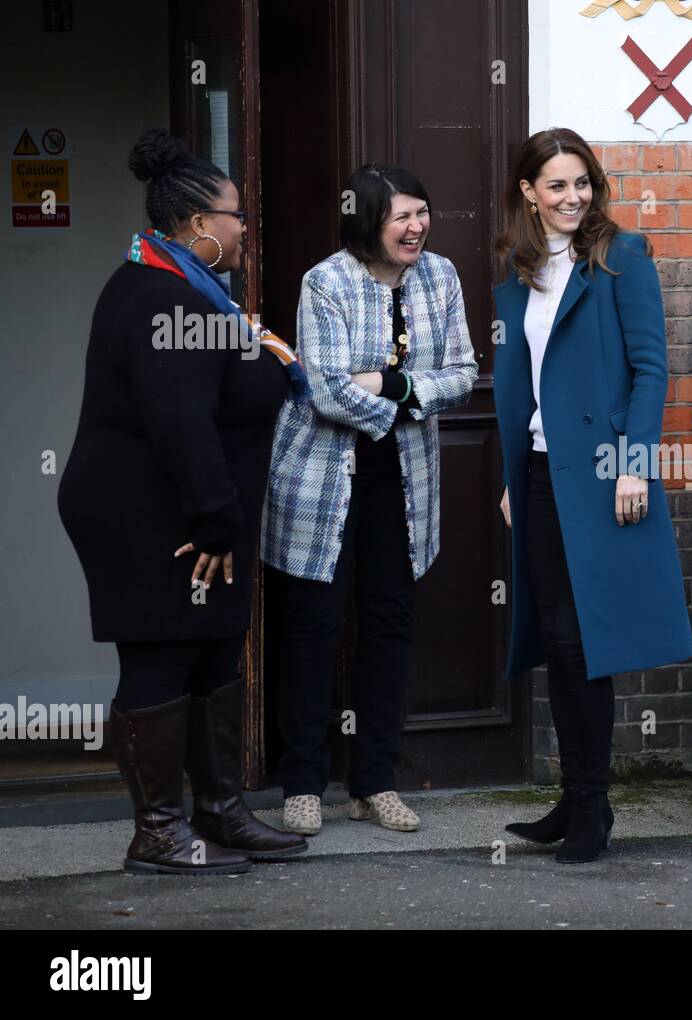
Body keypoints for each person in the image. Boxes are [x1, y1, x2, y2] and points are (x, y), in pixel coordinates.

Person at [58, 128, 307, 874]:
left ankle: (221, 812)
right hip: (152, 516)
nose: (243, 231)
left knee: (215, 651)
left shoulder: (195, 294)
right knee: (163, 655)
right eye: (236, 217)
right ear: (200, 225)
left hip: (199, 511)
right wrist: (214, 519)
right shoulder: (162, 298)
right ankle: (159, 833)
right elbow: (178, 421)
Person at [492, 127, 692, 863]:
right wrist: (514, 477)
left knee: (584, 644)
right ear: (528, 193)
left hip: (607, 475)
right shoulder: (518, 271)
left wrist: (634, 464)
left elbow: (651, 370)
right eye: (556, 186)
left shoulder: (621, 257)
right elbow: (522, 387)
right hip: (543, 474)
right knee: (553, 637)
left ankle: (594, 808)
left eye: (583, 182)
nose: (573, 197)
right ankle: (574, 797)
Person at [261, 164, 477, 835]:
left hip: (404, 482)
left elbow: (464, 374)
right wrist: (403, 393)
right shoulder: (325, 281)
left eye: (422, 212)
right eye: (400, 217)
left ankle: (373, 782)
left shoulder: (441, 277)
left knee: (390, 624)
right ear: (366, 223)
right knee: (313, 626)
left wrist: (394, 387)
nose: (416, 227)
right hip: (323, 480)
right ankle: (302, 783)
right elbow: (322, 390)